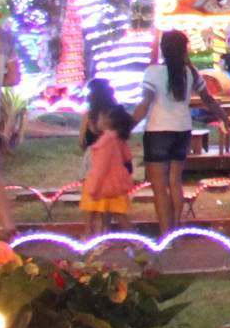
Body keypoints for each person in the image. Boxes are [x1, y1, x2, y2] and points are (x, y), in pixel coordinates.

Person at [138, 29, 199, 235]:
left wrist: (125, 125)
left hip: (158, 132)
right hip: (182, 130)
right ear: (184, 49)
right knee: (175, 182)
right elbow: (208, 99)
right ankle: (174, 230)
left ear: (163, 48)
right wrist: (226, 119)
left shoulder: (153, 72)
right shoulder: (190, 72)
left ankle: (165, 235)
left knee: (159, 188)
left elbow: (145, 103)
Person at [83, 104, 136, 239]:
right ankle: (137, 243)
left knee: (94, 214)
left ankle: (92, 242)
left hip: (103, 186)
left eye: (100, 118)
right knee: (120, 216)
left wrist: (93, 188)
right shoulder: (119, 139)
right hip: (117, 185)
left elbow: (100, 168)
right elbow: (127, 159)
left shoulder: (105, 142)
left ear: (108, 122)